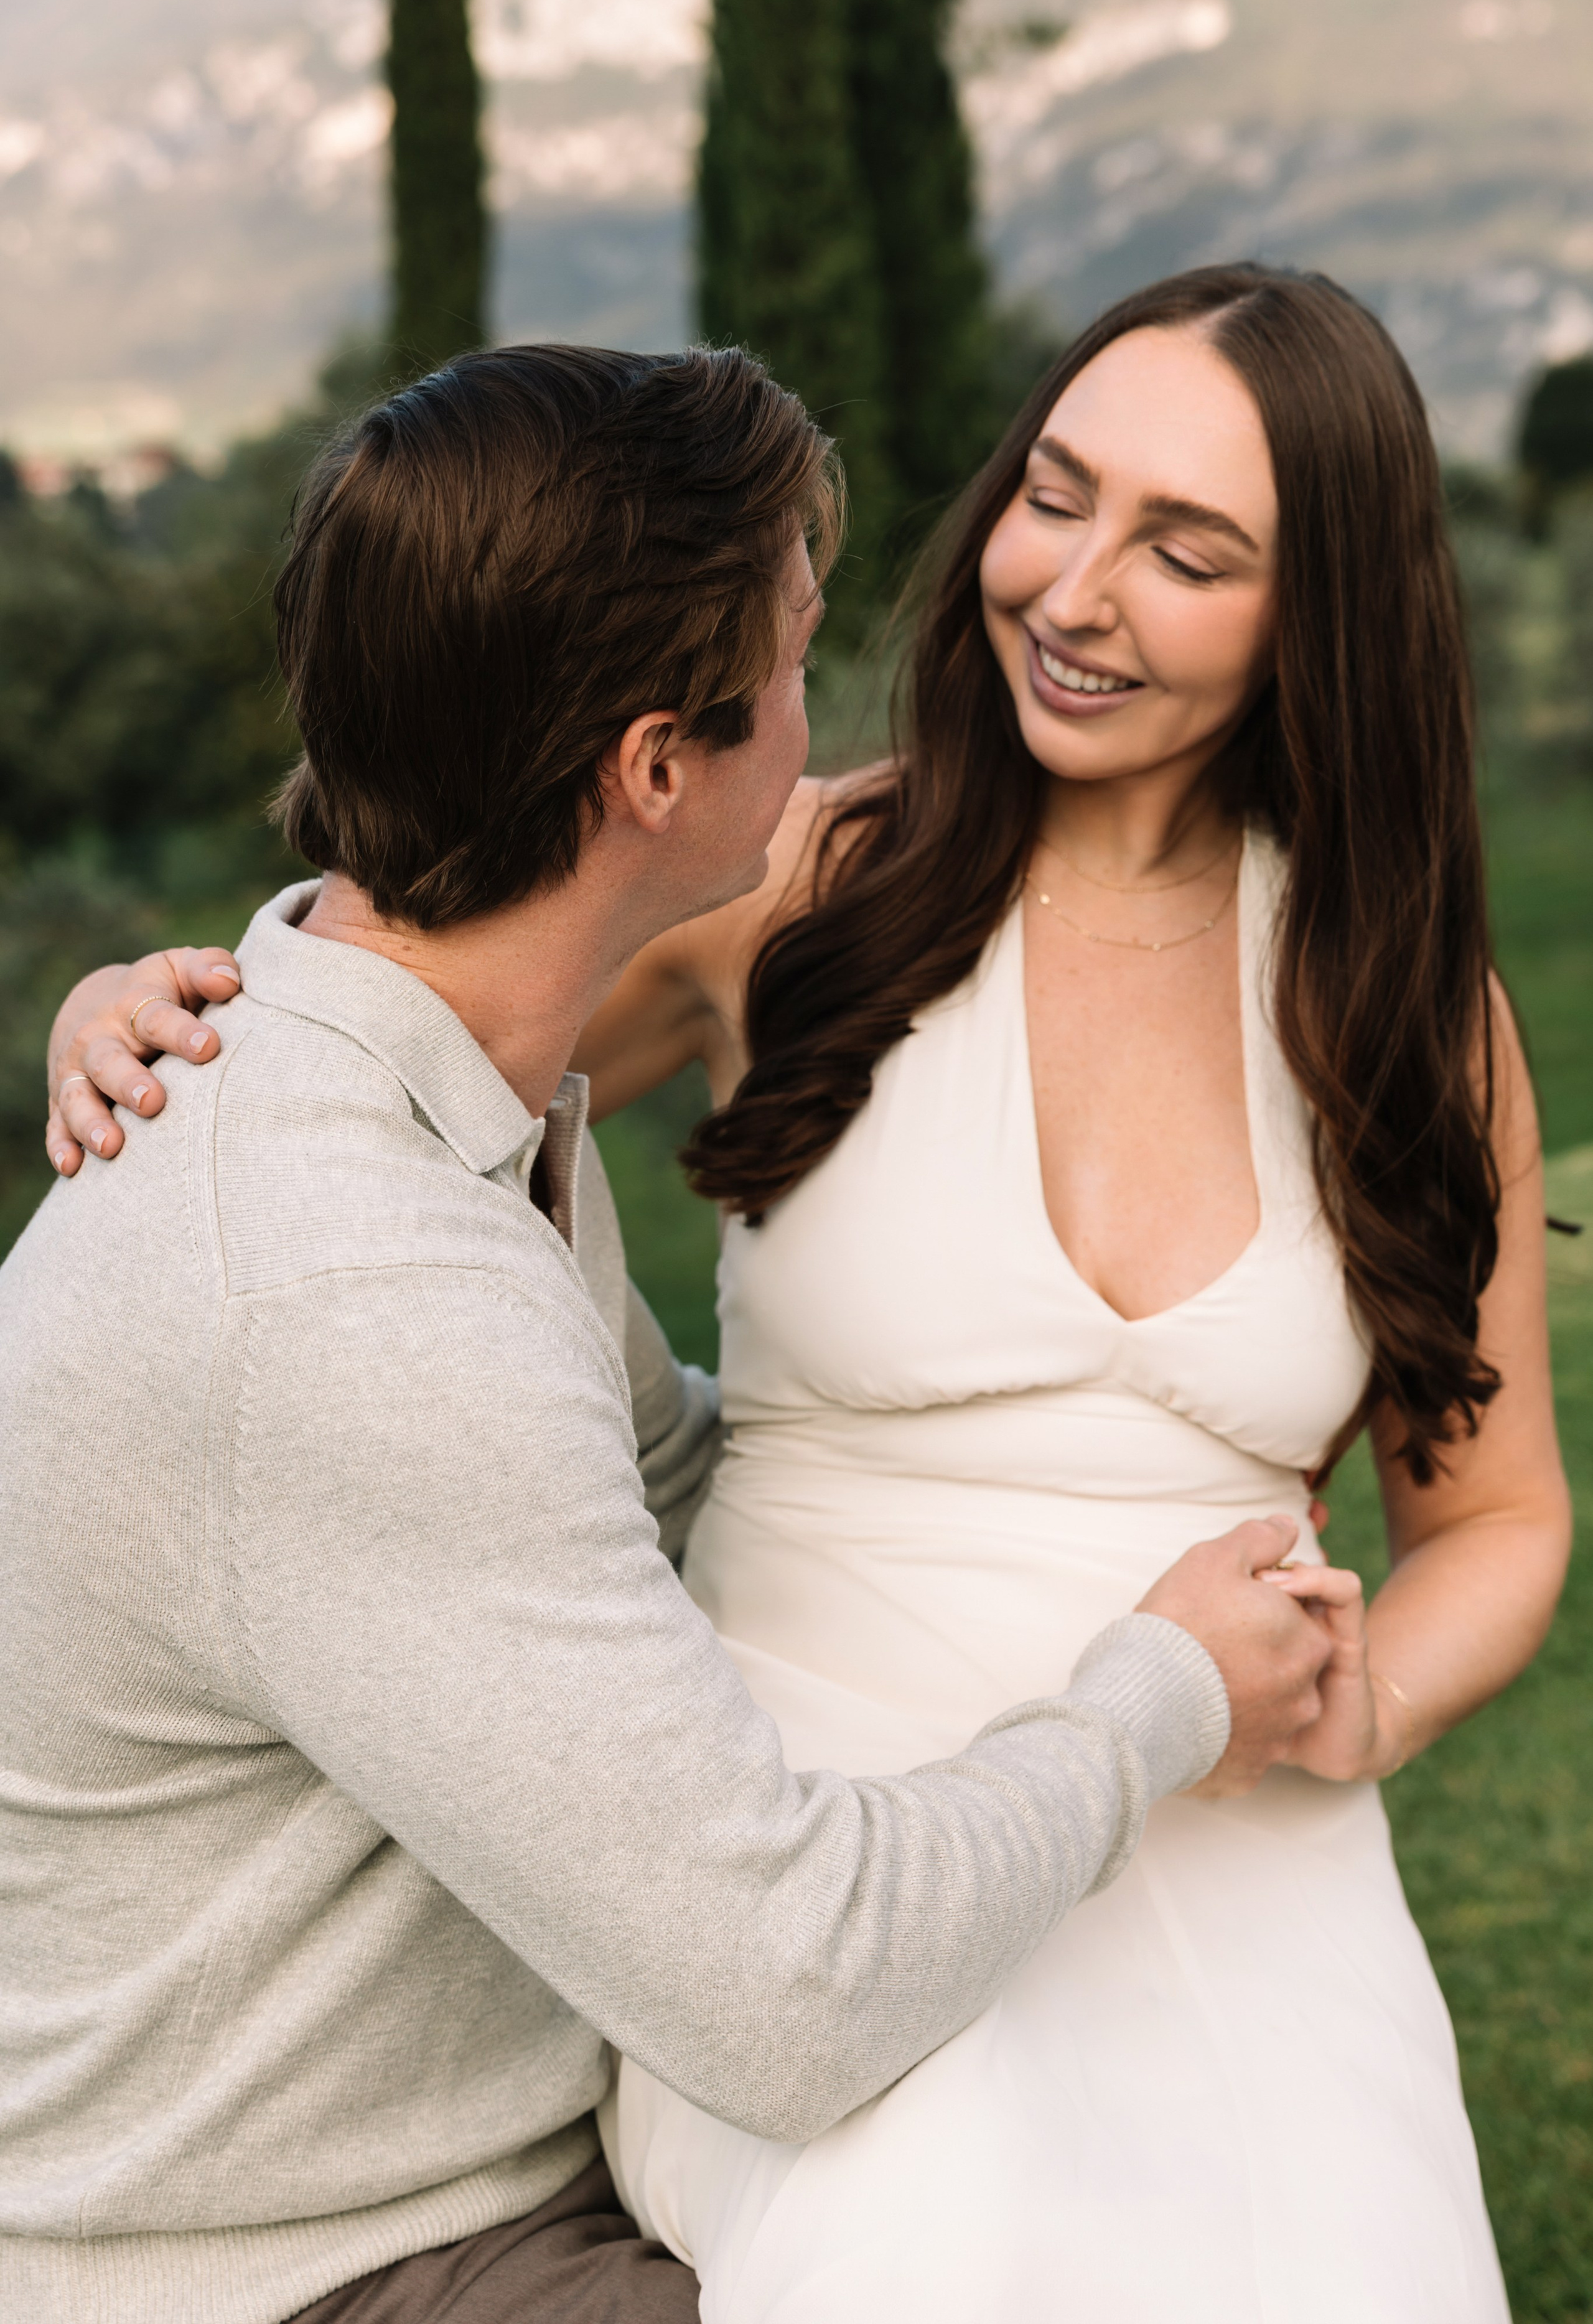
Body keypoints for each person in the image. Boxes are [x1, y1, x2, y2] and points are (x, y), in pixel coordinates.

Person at [55, 268, 1574, 2320]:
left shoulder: (1403, 1011)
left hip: (1225, 1797)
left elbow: (1493, 1511)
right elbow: (432, 1001)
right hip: (814, 1801)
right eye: (1057, 493)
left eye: (1188, 550)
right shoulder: (793, 875)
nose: (1076, 588)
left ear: (1323, 619)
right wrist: (171, 1010)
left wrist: (1350, 1704)